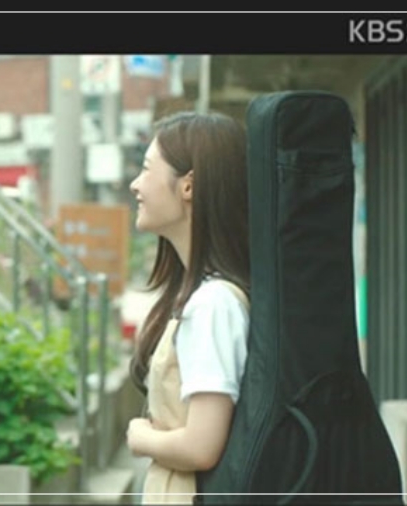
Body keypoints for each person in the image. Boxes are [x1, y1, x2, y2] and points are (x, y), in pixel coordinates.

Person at [124, 111, 251, 504]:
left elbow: (201, 446)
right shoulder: (204, 296)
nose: (135, 184)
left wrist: (140, 437)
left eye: (147, 169)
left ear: (188, 186)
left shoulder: (213, 304)